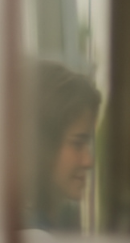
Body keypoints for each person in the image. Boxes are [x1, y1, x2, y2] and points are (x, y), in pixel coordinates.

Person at [27, 60, 102, 233]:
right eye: (77, 143)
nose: (88, 161)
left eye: (88, 143)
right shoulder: (35, 242)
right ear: (41, 145)